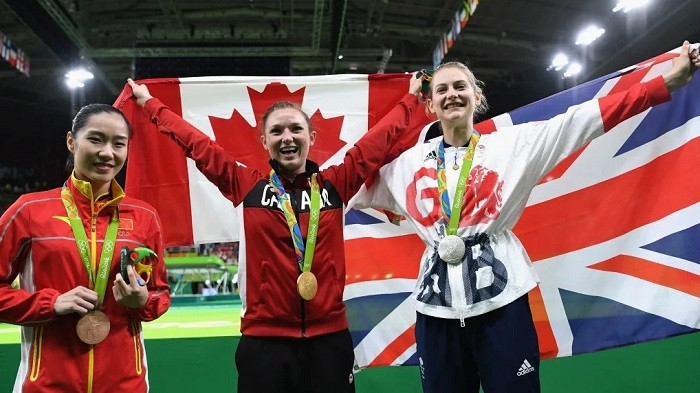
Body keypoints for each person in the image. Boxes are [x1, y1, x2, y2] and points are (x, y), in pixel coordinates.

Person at [355, 41, 700, 393]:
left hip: (502, 301)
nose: (452, 95)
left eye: (461, 87)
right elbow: (348, 181)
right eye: (441, 89)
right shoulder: (405, 166)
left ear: (477, 96)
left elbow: (586, 118)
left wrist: (666, 83)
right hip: (435, 310)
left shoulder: (515, 145)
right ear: (429, 104)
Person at [126, 75, 423, 393]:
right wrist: (151, 105)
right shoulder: (247, 185)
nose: (287, 137)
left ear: (311, 136)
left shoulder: (335, 184)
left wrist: (410, 99)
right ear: (264, 142)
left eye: (295, 129)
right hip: (264, 342)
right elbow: (199, 146)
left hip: (329, 339)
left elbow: (376, 142)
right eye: (277, 131)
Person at [0, 104, 171, 393]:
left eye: (119, 143)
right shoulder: (28, 210)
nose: (108, 152)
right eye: (95, 139)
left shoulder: (145, 216)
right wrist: (50, 304)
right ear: (71, 141)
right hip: (47, 384)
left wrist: (141, 302)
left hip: (126, 384)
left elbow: (160, 293)